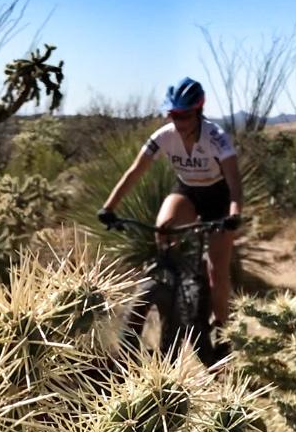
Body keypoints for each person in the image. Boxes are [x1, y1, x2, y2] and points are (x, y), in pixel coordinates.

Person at [97, 77, 244, 330]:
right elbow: (134, 172)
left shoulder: (216, 137)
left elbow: (234, 181)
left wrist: (234, 214)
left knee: (216, 270)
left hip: (218, 197)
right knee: (163, 228)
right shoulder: (164, 136)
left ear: (198, 111)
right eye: (173, 115)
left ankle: (222, 329)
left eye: (185, 116)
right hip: (188, 191)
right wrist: (109, 207)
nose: (178, 122)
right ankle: (170, 288)